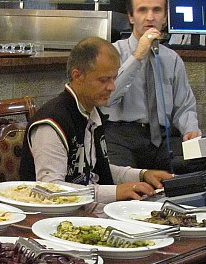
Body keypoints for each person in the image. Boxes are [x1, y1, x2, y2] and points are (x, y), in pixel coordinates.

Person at [19, 36, 173, 203]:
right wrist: (115, 192)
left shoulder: (91, 113)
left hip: (86, 210)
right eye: (104, 80)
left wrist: (142, 175)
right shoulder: (52, 122)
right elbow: (50, 190)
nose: (112, 87)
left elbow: (95, 169)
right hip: (54, 220)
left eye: (113, 78)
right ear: (77, 76)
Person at [101, 0, 200, 172]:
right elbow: (108, 99)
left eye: (157, 10)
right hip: (120, 136)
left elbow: (184, 106)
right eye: (142, 10)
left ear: (165, 17)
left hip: (162, 138)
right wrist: (137, 57)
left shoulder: (172, 59)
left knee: (197, 170)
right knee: (118, 179)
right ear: (131, 16)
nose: (150, 17)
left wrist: (191, 130)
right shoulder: (113, 52)